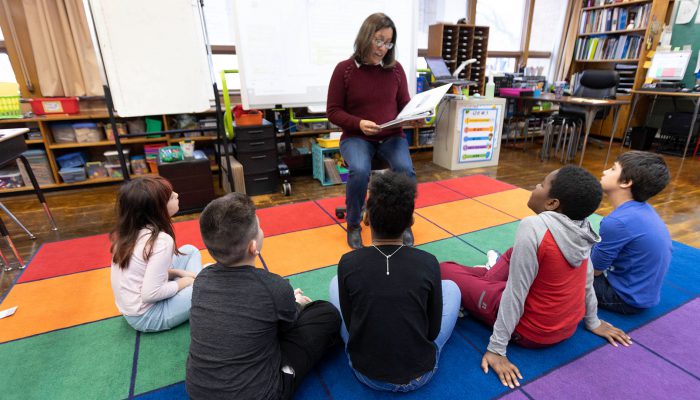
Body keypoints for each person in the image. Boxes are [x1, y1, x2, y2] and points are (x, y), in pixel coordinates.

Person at [440, 166, 631, 389]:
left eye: (542, 184)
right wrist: (592, 321)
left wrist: (496, 349)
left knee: (445, 269)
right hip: (566, 326)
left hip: (530, 332)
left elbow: (515, 293)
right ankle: (486, 277)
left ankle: (483, 280)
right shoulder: (583, 227)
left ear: (552, 203)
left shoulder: (534, 226)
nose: (535, 187)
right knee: (514, 253)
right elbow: (586, 280)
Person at [186, 193, 341, 400]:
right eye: (259, 228)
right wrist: (294, 302)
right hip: (263, 394)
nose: (262, 231)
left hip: (198, 392)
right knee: (325, 313)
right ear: (253, 247)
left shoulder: (202, 279)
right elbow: (288, 327)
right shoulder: (273, 286)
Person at [329, 171, 461, 392]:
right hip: (421, 373)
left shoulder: (348, 263)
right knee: (452, 288)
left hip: (365, 373)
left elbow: (352, 326)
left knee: (336, 283)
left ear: (366, 219)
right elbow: (432, 332)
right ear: (411, 221)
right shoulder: (428, 262)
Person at [327, 12, 416, 249]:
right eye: (379, 40)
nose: (383, 48)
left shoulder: (396, 70)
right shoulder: (344, 70)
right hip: (356, 137)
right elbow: (333, 111)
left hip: (391, 136)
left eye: (388, 43)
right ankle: (354, 224)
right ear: (366, 36)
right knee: (359, 169)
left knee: (406, 170)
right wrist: (358, 123)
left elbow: (404, 104)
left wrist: (416, 115)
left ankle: (404, 223)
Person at [109, 176, 202, 332]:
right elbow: (150, 294)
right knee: (209, 282)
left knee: (190, 251)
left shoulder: (130, 232)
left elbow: (141, 273)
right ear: (158, 208)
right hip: (149, 317)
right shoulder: (161, 241)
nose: (177, 195)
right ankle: (197, 290)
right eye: (171, 197)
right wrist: (183, 282)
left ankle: (194, 286)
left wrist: (177, 272)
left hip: (132, 311)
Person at [592, 151, 671, 314]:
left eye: (613, 169)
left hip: (623, 299)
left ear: (626, 182)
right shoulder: (642, 210)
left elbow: (593, 271)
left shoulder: (617, 222)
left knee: (560, 267)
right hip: (642, 294)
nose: (605, 171)